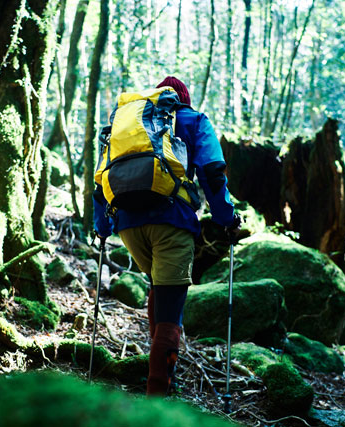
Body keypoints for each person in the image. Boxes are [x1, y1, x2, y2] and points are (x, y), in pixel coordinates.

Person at [93, 76, 240, 396]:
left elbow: (100, 177)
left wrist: (102, 228)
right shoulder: (192, 120)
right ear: (182, 99)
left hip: (129, 225)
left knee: (159, 289)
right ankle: (159, 395)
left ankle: (157, 374)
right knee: (171, 310)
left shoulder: (131, 123)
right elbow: (213, 172)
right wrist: (226, 218)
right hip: (171, 221)